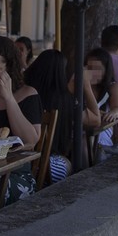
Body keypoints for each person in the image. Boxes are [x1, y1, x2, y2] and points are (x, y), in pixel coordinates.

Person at [24, 49, 81, 182]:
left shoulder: (25, 92)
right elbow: (94, 120)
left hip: (24, 159)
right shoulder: (65, 98)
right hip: (53, 165)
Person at [83, 47, 118, 154]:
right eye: (89, 67)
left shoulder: (113, 87)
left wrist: (114, 113)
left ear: (106, 70)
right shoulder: (80, 87)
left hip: (101, 133)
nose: (91, 72)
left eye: (97, 69)